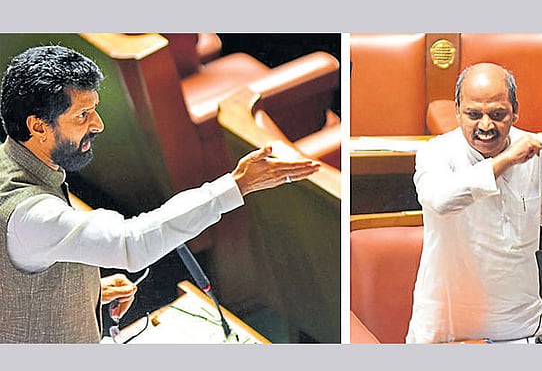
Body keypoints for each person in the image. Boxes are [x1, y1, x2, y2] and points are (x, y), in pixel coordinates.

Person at [0, 45, 320, 343]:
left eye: (94, 110)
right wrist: (238, 184)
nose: (97, 125)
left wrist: (90, 290)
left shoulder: (9, 162)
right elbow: (131, 243)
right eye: (82, 116)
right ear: (38, 127)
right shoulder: (31, 215)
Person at [406, 62, 542, 343]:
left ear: (515, 111)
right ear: (457, 111)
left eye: (497, 115)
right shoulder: (435, 153)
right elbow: (441, 200)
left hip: (523, 324)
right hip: (447, 327)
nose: (486, 126)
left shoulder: (538, 154)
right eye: (474, 115)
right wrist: (505, 161)